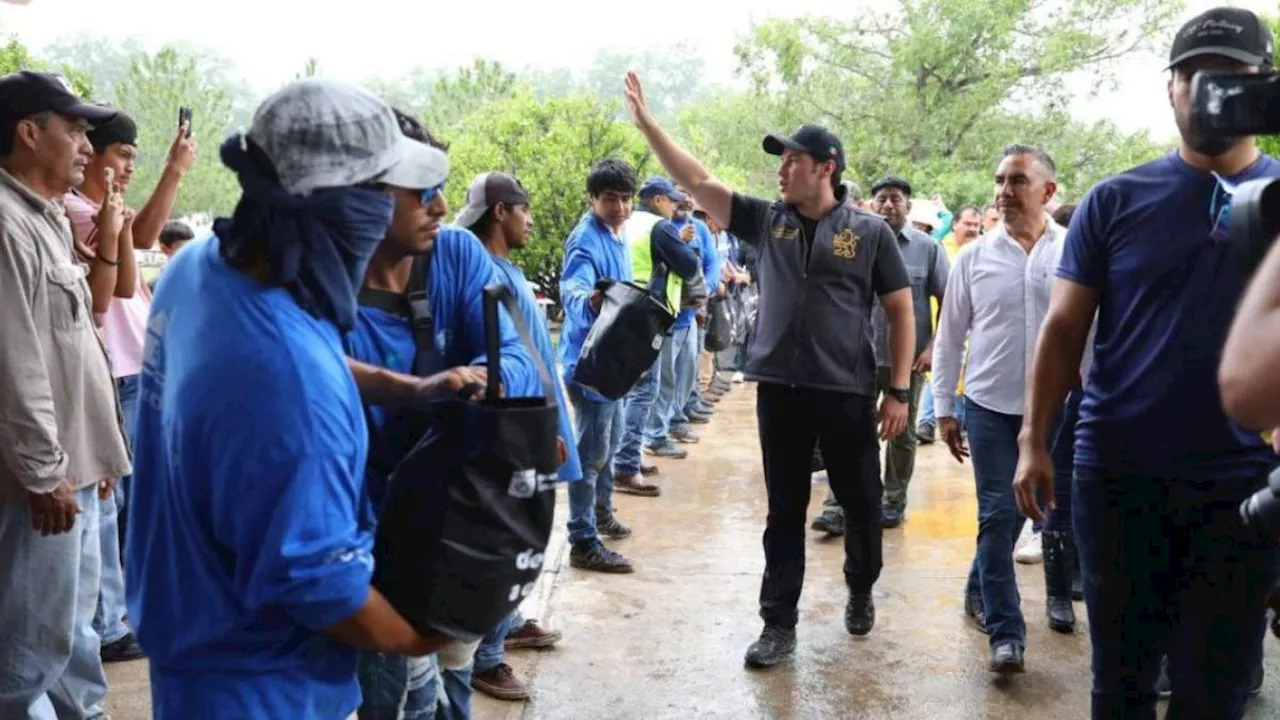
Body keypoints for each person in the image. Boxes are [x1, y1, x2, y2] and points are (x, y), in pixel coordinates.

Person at [126, 78, 456, 719]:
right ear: (343, 207)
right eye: (393, 191)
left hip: (190, 649)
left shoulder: (202, 269)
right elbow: (320, 585)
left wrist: (409, 389)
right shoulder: (290, 385)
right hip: (267, 687)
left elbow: (289, 360)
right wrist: (424, 638)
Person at [1014, 8, 1279, 716]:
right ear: (1170, 88)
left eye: (1233, 77)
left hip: (1245, 486)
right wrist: (1034, 442)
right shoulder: (1114, 199)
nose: (1207, 91)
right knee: (1121, 684)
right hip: (1120, 475)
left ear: (1265, 89)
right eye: (1194, 75)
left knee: (1216, 692)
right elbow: (1064, 329)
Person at [624, 71, 915, 668]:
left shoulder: (869, 233)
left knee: (860, 504)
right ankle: (778, 623)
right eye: (781, 161)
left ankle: (860, 586)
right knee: (784, 510)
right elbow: (698, 180)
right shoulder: (767, 221)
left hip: (846, 391)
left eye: (793, 160)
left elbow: (900, 311)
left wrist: (900, 390)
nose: (782, 170)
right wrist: (649, 126)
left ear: (826, 167)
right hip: (780, 392)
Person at [0, 69, 131, 720]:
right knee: (28, 650)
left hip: (70, 468)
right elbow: (15, 363)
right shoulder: (5, 223)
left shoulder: (43, 216)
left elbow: (72, 347)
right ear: (28, 133)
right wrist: (47, 471)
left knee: (70, 628)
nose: (87, 145)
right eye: (74, 130)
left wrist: (96, 454)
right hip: (37, 479)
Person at [934, 144, 1064, 674]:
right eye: (999, 180)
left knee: (1024, 512)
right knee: (996, 512)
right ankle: (1006, 635)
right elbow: (949, 337)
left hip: (1057, 408)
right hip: (990, 407)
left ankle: (977, 585)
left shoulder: (1074, 251)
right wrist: (944, 407)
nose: (1003, 192)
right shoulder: (974, 257)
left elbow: (1096, 332)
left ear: (1048, 192)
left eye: (1016, 181)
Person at [456, 170, 572, 702]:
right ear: (500, 211)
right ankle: (488, 656)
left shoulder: (507, 270)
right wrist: (534, 430)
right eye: (524, 209)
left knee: (520, 533)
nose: (530, 219)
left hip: (536, 421)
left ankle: (509, 619)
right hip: (518, 429)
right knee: (513, 535)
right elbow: (501, 366)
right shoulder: (482, 273)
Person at [812, 175, 948, 534]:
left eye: (896, 199)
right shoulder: (854, 241)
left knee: (901, 435)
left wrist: (935, 347)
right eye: (882, 199)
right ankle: (837, 505)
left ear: (908, 205)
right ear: (872, 204)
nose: (888, 205)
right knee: (848, 432)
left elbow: (950, 302)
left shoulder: (928, 248)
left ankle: (892, 501)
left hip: (908, 360)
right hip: (856, 358)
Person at [558, 158, 640, 573]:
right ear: (592, 198)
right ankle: (582, 540)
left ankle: (602, 514)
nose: (620, 207)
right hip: (588, 365)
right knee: (589, 457)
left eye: (626, 199)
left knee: (610, 445)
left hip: (613, 364)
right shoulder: (585, 240)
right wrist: (589, 300)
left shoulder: (616, 233)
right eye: (611, 199)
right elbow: (573, 288)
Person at [618, 176, 703, 471]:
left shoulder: (628, 221)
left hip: (624, 309)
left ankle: (625, 455)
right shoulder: (660, 227)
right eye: (671, 201)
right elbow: (689, 267)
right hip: (649, 314)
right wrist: (685, 246)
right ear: (658, 200)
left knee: (628, 389)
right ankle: (628, 461)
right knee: (646, 389)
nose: (674, 207)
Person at [918, 203, 983, 444]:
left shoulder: (982, 252)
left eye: (976, 225)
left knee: (961, 372)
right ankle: (928, 420)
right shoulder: (939, 249)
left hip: (970, 325)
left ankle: (954, 419)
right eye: (967, 224)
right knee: (937, 371)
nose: (972, 229)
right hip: (940, 321)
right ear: (954, 224)